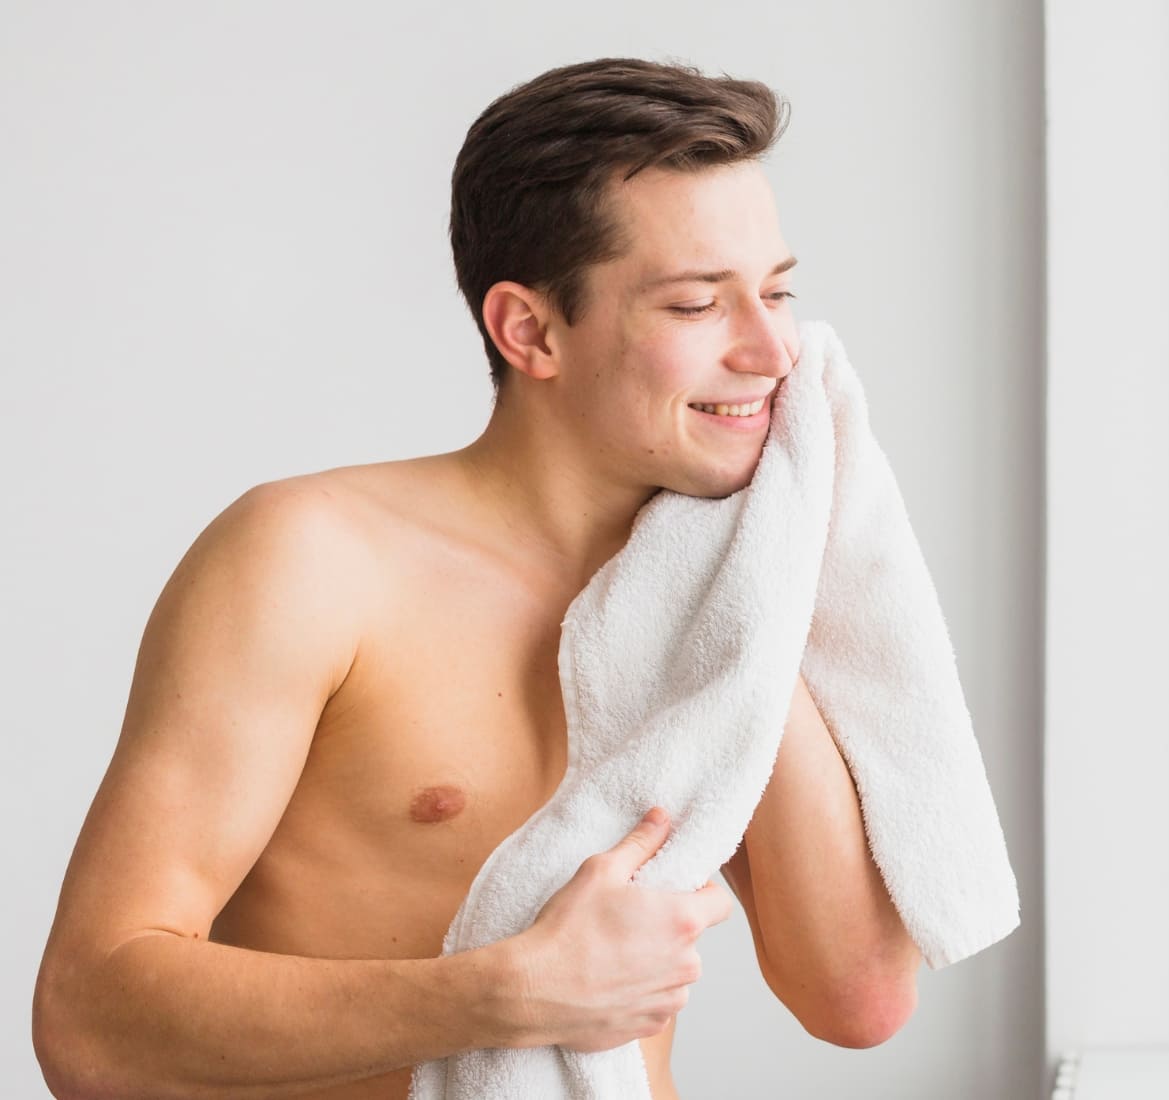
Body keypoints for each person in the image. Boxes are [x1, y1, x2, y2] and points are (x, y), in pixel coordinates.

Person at [31, 57, 920, 1100]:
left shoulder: (722, 590)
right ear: (530, 330)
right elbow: (90, 1024)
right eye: (696, 305)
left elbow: (854, 999)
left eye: (776, 292)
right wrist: (509, 992)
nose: (775, 351)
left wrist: (762, 583)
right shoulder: (311, 560)